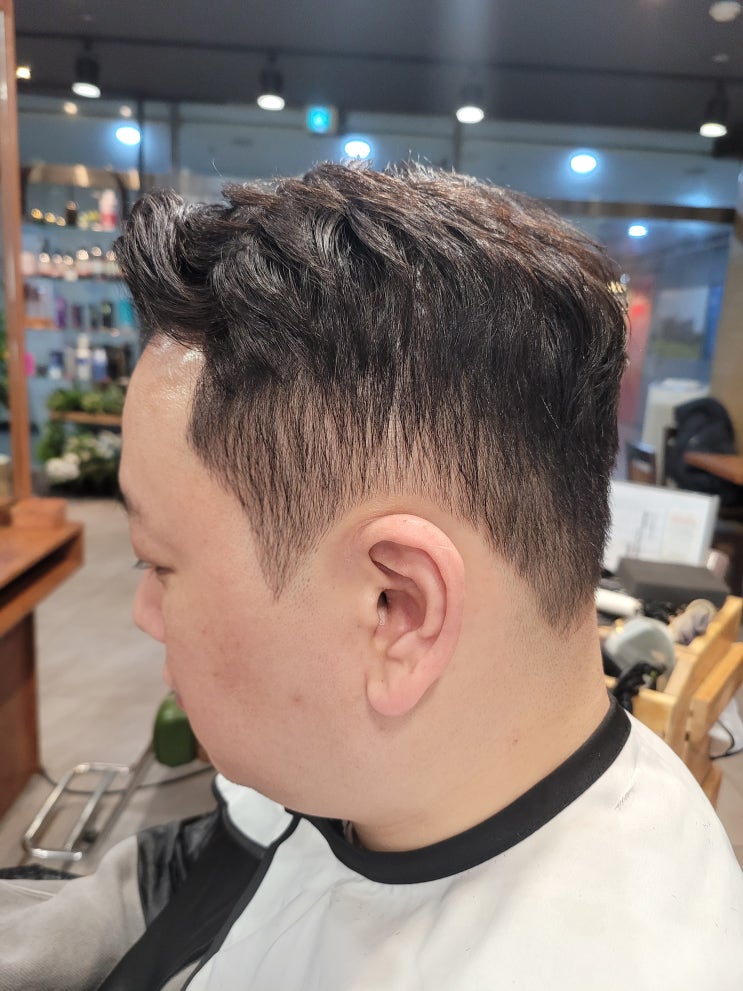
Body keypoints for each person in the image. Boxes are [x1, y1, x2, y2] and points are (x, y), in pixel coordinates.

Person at [1, 162, 742, 990]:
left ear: (397, 609)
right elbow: (208, 878)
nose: (145, 611)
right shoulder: (380, 771)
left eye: (157, 561)